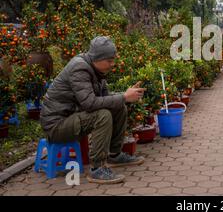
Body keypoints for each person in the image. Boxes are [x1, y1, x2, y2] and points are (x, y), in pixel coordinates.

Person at [40, 36, 146, 184]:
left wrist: (125, 96)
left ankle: (114, 155)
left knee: (118, 107)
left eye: (113, 60)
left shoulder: (95, 70)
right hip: (57, 125)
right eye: (109, 61)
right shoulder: (80, 68)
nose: (112, 64)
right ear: (97, 58)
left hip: (72, 117)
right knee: (102, 115)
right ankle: (97, 169)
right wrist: (124, 96)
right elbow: (89, 103)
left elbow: (105, 98)